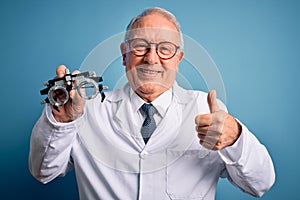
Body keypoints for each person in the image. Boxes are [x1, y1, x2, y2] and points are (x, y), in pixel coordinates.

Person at [29, 7, 275, 200]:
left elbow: (260, 184)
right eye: (140, 46)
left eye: (165, 49)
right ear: (125, 55)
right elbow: (43, 173)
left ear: (178, 59)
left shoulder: (207, 110)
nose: (151, 58)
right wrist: (61, 120)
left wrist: (235, 139)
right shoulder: (87, 110)